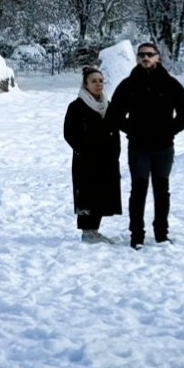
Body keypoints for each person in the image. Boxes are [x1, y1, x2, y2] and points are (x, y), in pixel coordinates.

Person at [104, 41, 184, 249]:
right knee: (138, 191)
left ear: (157, 57)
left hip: (164, 148)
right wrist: (132, 130)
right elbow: (114, 114)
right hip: (138, 148)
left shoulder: (170, 84)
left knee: (162, 191)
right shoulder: (128, 85)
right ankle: (137, 235)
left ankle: (161, 234)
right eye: (142, 55)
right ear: (137, 58)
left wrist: (172, 129)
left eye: (150, 54)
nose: (146, 58)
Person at [62, 66, 121, 243]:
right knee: (87, 193)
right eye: (94, 81)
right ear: (86, 84)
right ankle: (86, 231)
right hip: (86, 160)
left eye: (101, 81)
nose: (98, 84)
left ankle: (94, 229)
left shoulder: (107, 106)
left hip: (107, 160)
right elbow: (69, 133)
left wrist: (115, 153)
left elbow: (115, 131)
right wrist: (83, 150)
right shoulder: (76, 107)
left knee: (102, 194)